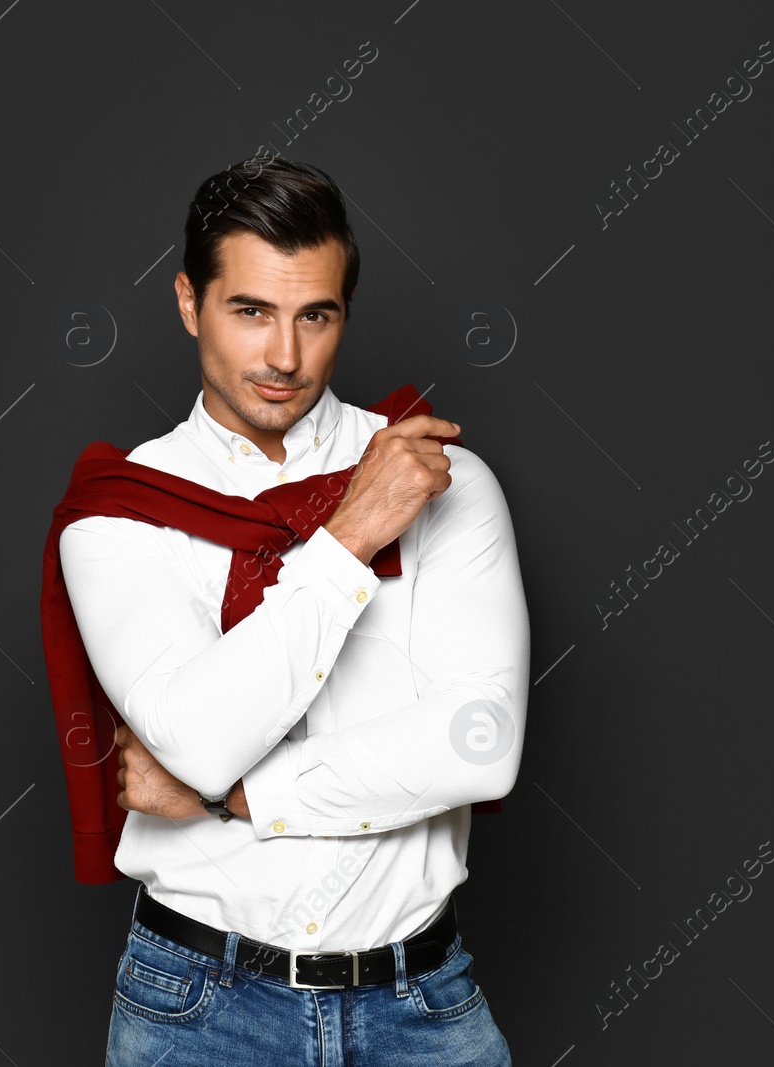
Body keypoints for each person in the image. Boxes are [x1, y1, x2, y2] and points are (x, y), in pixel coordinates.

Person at [49, 155, 529, 1065]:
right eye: (251, 312)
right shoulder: (117, 511)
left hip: (420, 1003)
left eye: (317, 315)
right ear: (190, 303)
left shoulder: (448, 481)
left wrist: (230, 797)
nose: (284, 356)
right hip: (196, 1010)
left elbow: (481, 742)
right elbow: (194, 735)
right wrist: (349, 536)